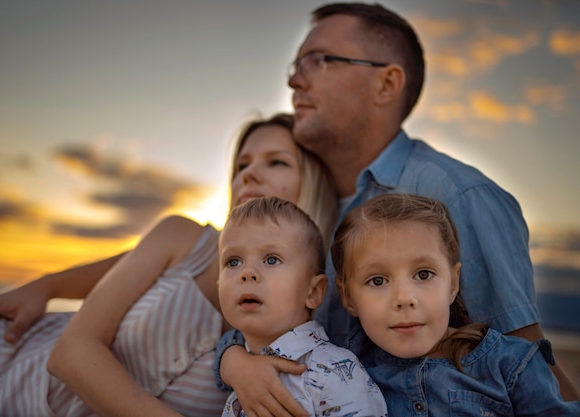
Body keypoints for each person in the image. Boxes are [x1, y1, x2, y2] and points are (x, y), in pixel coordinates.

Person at [216, 2, 578, 415]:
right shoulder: (310, 206)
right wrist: (234, 362)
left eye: (318, 60)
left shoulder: (459, 195)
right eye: (295, 66)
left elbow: (532, 370)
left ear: (386, 84)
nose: (295, 80)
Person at [0, 113, 338, 417]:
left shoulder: (306, 325)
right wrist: (46, 285)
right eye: (242, 164)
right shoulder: (187, 238)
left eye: (276, 162)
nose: (250, 173)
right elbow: (69, 353)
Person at [332, 193, 580, 416]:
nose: (404, 298)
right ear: (348, 298)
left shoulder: (509, 365)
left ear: (453, 284)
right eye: (377, 280)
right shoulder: (341, 374)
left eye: (424, 274)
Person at [218, 196, 387, 417]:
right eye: (233, 261)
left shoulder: (333, 370)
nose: (247, 273)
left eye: (271, 260)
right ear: (218, 284)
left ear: (313, 292)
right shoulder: (240, 377)